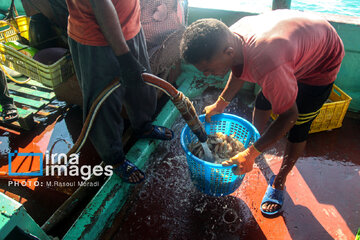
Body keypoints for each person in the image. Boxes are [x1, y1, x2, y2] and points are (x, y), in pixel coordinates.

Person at [180, 9, 344, 216]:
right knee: (265, 97)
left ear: (228, 51)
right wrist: (221, 102)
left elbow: (289, 116)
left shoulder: (268, 64)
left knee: (299, 126)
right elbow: (239, 68)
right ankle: (256, 143)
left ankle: (279, 182)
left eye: (208, 68)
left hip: (321, 61)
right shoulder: (231, 38)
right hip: (295, 44)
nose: (206, 74)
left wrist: (249, 154)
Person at [65, 0, 174, 184]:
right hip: (96, 39)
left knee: (142, 86)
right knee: (103, 105)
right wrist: (124, 56)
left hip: (131, 27)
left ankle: (143, 126)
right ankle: (114, 159)